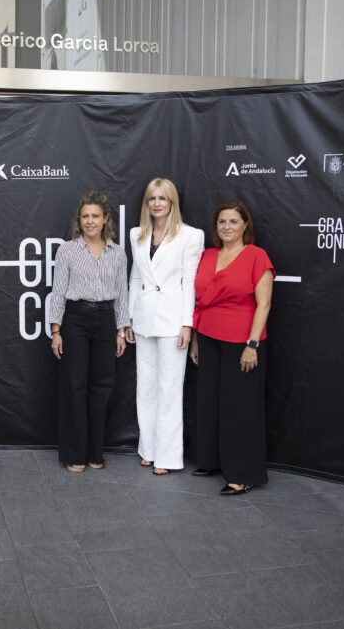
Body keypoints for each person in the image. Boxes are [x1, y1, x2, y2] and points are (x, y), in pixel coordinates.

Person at [189, 200, 274, 495]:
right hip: (208, 337)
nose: (227, 227)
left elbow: (263, 304)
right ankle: (212, 461)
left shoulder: (256, 256)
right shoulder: (208, 255)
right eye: (222, 222)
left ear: (245, 226)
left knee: (239, 407)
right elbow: (200, 301)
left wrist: (252, 344)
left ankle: (242, 473)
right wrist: (197, 340)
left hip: (242, 341)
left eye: (234, 222)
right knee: (210, 402)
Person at [125, 178, 204, 475]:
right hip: (144, 320)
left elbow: (189, 283)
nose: (157, 203)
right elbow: (134, 277)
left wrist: (187, 324)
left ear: (172, 202)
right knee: (145, 388)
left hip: (173, 321)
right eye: (152, 198)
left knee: (170, 390)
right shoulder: (138, 234)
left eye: (162, 198)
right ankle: (149, 448)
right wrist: (130, 318)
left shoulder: (190, 236)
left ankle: (168, 457)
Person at [49, 190, 129, 472]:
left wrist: (122, 329)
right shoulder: (68, 251)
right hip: (76, 320)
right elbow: (58, 292)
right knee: (74, 386)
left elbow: (122, 293)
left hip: (106, 320)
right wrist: (56, 331)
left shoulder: (117, 252)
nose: (90, 221)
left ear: (105, 218)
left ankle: (95, 453)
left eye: (95, 216)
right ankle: (74, 455)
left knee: (102, 387)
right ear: (79, 221)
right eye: (85, 216)